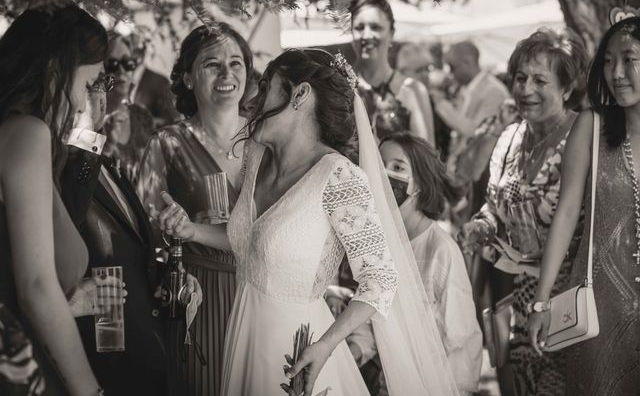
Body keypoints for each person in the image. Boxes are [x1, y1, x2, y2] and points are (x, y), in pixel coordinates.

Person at [156, 48, 459, 396]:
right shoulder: (256, 159)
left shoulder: (339, 177)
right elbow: (251, 240)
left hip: (298, 351)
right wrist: (191, 230)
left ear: (300, 94)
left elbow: (381, 279)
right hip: (243, 335)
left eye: (267, 85)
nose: (252, 98)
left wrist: (327, 345)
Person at [459, 28, 588, 395]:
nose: (525, 88)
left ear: (566, 88)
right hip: (510, 295)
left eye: (539, 80)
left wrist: (543, 299)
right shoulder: (511, 136)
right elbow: (494, 205)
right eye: (520, 78)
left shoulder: (581, 136)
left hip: (564, 297)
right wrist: (481, 225)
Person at [60, 76, 202, 396]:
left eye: (103, 85)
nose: (103, 95)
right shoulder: (58, 165)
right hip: (103, 359)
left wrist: (170, 278)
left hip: (145, 348)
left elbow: (133, 252)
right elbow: (72, 208)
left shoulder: (107, 161)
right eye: (95, 83)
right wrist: (86, 131)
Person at [137, 22, 252, 396]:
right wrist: (170, 242)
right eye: (212, 64)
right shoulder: (166, 145)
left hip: (262, 292)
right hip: (199, 300)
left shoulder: (267, 141)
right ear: (187, 77)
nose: (227, 74)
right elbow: (143, 236)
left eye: (236, 63)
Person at [0, 4, 110, 396]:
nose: (83, 104)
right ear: (55, 70)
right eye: (86, 84)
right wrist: (90, 390)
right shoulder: (26, 133)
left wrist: (70, 303)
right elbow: (35, 286)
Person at [528, 17, 640, 395]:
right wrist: (541, 303)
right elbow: (565, 213)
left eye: (629, 59)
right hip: (599, 306)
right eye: (608, 61)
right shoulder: (591, 127)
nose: (617, 73)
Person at [379, 132, 482, 395]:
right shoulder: (379, 242)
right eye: (379, 163)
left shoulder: (441, 249)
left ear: (420, 183)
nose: (384, 174)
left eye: (398, 168)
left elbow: (460, 335)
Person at [350, 0, 434, 141]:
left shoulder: (414, 89)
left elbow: (427, 158)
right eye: (359, 28)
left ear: (391, 33)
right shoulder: (340, 87)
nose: (366, 35)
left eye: (375, 27)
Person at [433, 40, 510, 170]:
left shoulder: (494, 91)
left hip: (477, 172)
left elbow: (475, 131)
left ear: (467, 62)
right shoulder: (466, 88)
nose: (450, 73)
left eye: (453, 67)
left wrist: (441, 104)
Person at [103, 34, 155, 182]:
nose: (121, 71)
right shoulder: (86, 119)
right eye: (112, 64)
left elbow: (151, 179)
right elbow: (82, 174)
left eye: (127, 63)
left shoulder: (143, 118)